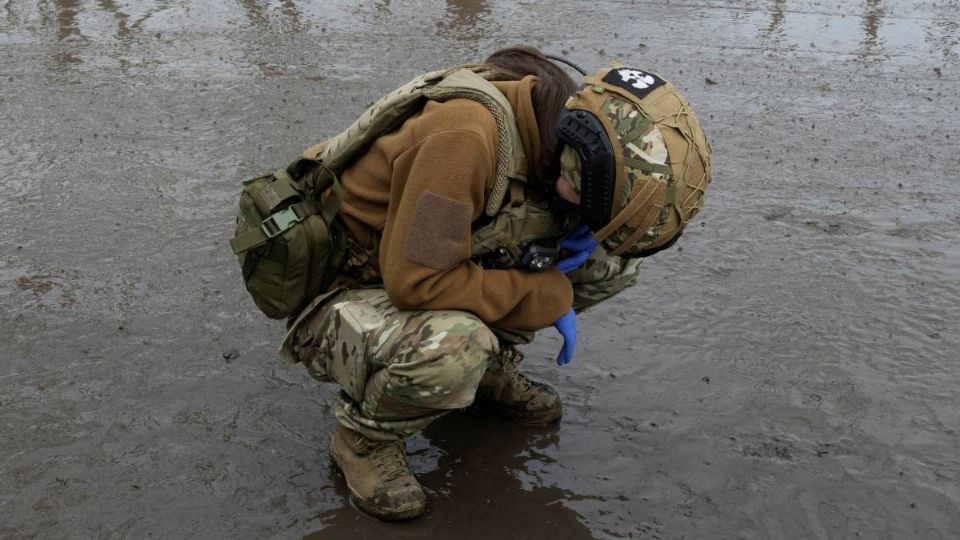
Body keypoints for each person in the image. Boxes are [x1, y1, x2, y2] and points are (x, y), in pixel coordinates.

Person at [279, 46, 711, 520]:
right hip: (349, 282)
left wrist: (573, 233)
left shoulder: (554, 129)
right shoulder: (466, 138)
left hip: (421, 258)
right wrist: (540, 294)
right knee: (454, 349)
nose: (590, 218)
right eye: (591, 202)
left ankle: (489, 373)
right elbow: (415, 283)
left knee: (610, 265)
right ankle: (363, 438)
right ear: (582, 157)